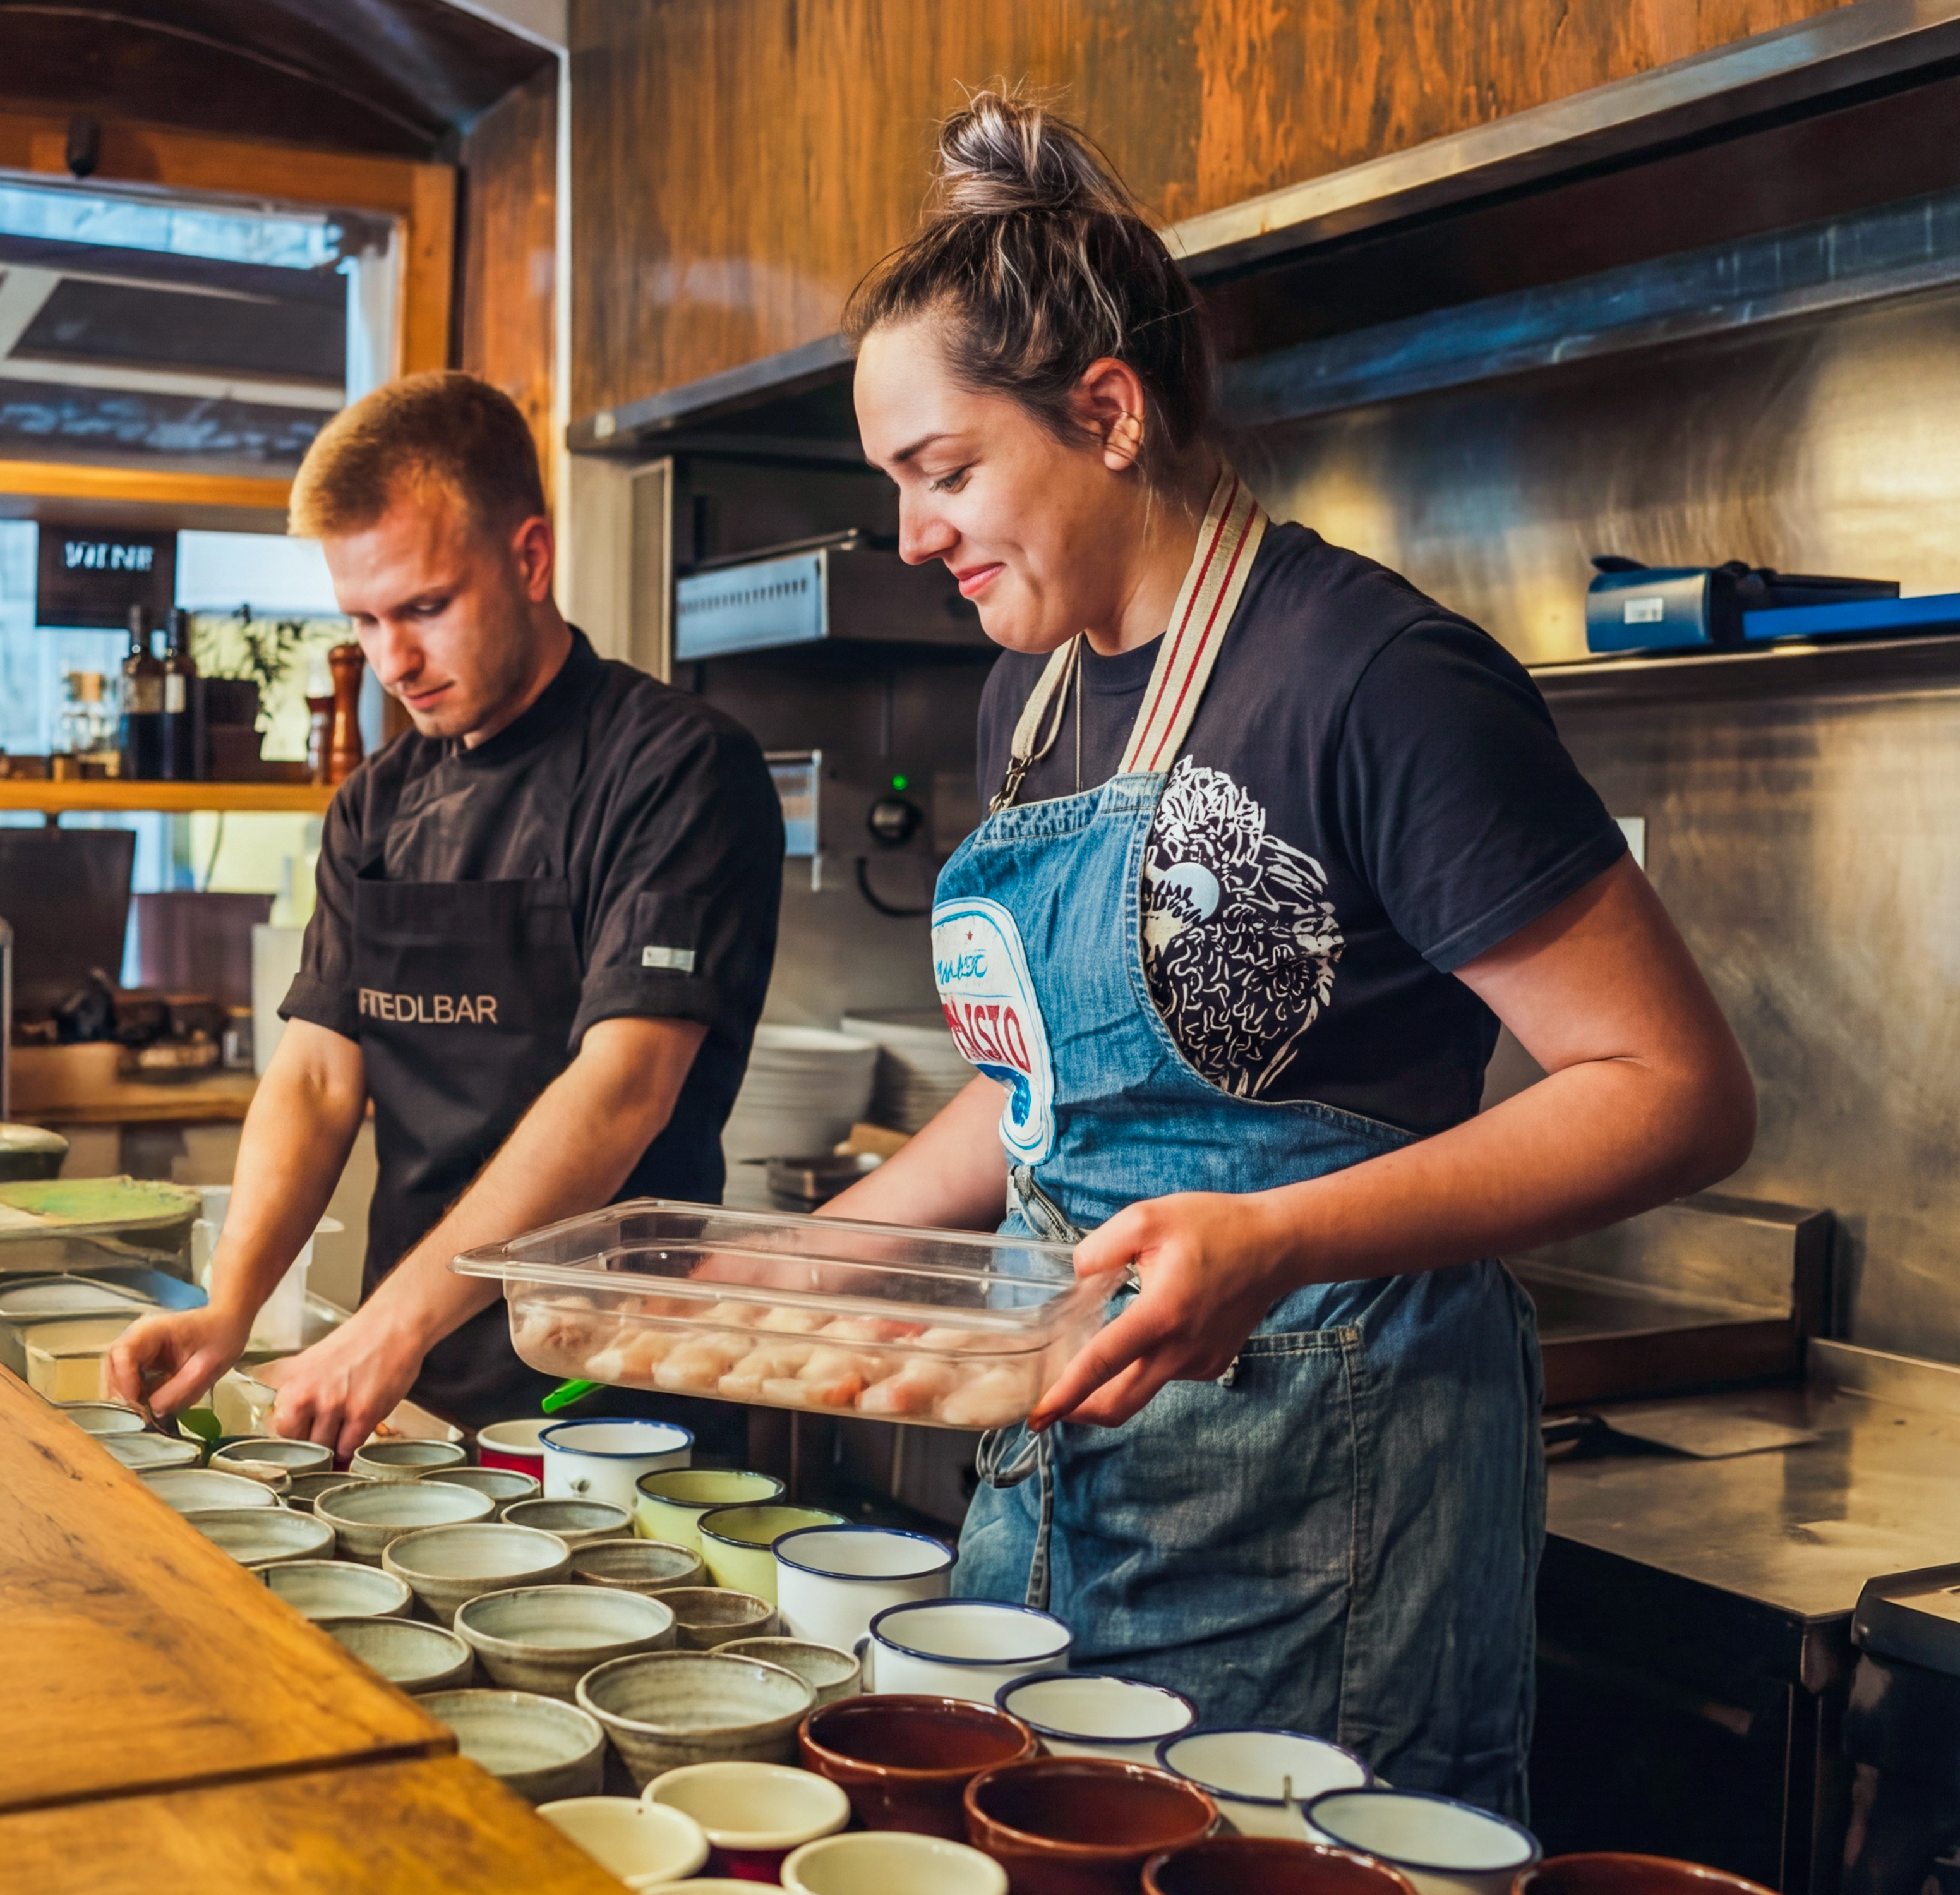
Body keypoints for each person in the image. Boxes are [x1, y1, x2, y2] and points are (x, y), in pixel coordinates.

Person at [821, 92, 1754, 1812]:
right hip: (1056, 1502)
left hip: (1324, 1521)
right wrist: (803, 1257)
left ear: (1106, 413)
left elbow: (1674, 1093)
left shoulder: (1377, 677)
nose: (914, 537)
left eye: (942, 474)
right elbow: (1047, 1094)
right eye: (896, 488)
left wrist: (1274, 1237)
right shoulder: (1021, 695)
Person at [107, 372, 786, 1452]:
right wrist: (230, 1305)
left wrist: (390, 1328)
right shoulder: (375, 806)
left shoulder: (676, 769)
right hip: (406, 1395)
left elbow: (622, 1090)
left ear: (528, 559)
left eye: (424, 608)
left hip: (612, 1400)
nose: (394, 660)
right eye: (365, 620)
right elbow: (320, 1079)